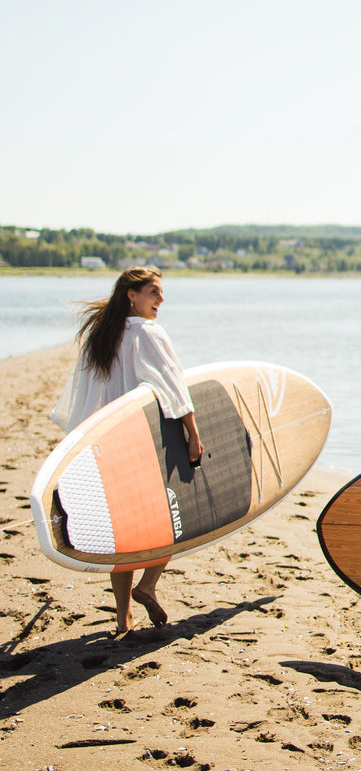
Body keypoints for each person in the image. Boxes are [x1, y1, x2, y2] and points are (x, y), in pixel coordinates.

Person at [52, 266, 202, 634]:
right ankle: (148, 585)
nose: (161, 299)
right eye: (154, 292)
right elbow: (174, 386)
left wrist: (83, 444)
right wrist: (194, 434)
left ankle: (123, 617)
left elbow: (87, 392)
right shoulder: (149, 332)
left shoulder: (102, 335)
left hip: (108, 444)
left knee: (125, 531)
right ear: (131, 295)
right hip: (147, 442)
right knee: (172, 517)